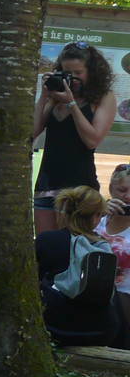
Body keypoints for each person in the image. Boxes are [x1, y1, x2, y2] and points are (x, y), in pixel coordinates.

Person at [32, 42, 116, 231]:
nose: (72, 77)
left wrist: (71, 104)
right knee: (46, 247)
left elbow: (92, 140)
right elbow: (33, 131)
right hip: (46, 184)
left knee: (72, 248)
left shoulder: (103, 97)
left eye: (78, 73)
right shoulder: (56, 96)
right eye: (66, 71)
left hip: (79, 187)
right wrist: (44, 97)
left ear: (92, 72)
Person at [36, 185, 121, 344]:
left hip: (55, 329)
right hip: (100, 331)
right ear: (96, 217)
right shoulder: (102, 248)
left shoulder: (46, 240)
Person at [97, 162, 130, 336]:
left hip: (125, 296)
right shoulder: (98, 219)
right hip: (94, 292)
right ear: (111, 189)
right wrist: (98, 211)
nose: (128, 197)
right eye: (122, 190)